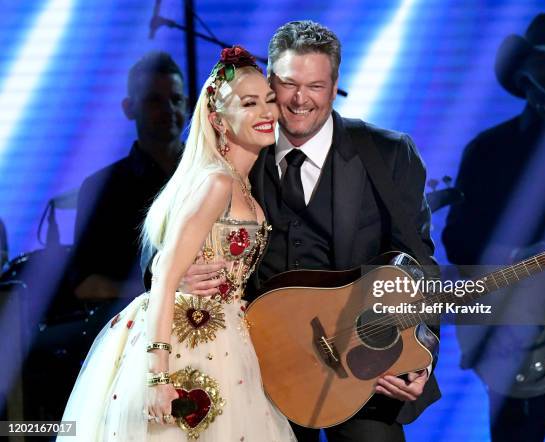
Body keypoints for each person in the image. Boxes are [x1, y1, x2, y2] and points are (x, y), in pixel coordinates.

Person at [158, 20, 442, 442]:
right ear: (269, 82)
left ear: (334, 85)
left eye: (315, 86)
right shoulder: (236, 146)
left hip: (355, 364)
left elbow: (419, 268)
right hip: (256, 363)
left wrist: (420, 352)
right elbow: (165, 233)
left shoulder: (388, 154)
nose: (299, 100)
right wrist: (176, 273)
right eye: (288, 84)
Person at [60, 46, 296, 441]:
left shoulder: (243, 186)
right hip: (188, 340)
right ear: (219, 120)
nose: (268, 112)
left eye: (269, 100)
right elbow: (165, 272)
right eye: (250, 103)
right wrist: (158, 375)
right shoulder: (216, 182)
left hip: (230, 342)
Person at [442, 13, 545, 442]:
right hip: (512, 331)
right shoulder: (488, 150)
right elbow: (458, 242)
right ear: (524, 74)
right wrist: (517, 255)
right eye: (544, 63)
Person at [72, 51, 187, 303]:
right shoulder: (102, 188)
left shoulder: (214, 173)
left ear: (188, 106)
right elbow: (85, 284)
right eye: (154, 101)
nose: (168, 109)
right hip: (134, 329)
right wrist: (161, 293)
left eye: (176, 99)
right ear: (129, 108)